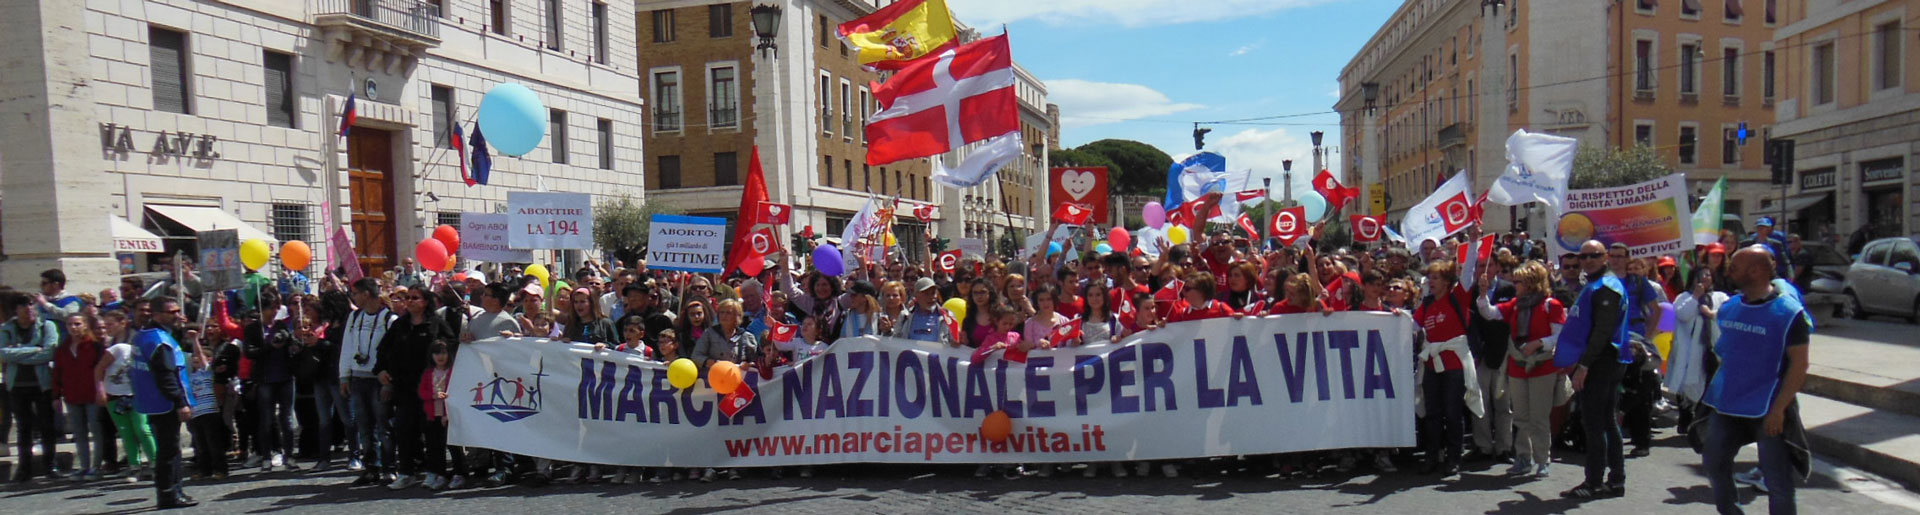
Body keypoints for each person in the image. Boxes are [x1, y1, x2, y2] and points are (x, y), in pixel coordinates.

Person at [1702, 246, 1813, 515]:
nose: (1729, 271)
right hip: (1727, 403)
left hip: (1768, 407)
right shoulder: (1730, 307)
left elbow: (1799, 365)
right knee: (1714, 464)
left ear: (1756, 270)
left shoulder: (1788, 312)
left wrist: (1779, 410)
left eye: (1736, 267)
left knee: (1778, 481)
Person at [1474, 261, 1566, 479]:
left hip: (1542, 366)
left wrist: (1538, 343)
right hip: (1518, 366)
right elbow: (1489, 312)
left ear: (1532, 283)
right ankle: (1523, 457)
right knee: (1521, 416)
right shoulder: (1516, 304)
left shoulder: (1550, 305)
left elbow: (1559, 335)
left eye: (1519, 281)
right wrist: (1483, 294)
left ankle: (1543, 459)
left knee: (1539, 417)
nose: (1514, 284)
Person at [1559, 240, 1634, 500]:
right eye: (1583, 256)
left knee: (1594, 424)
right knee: (1607, 421)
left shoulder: (1606, 286)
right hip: (1604, 362)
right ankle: (1615, 480)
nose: (1587, 260)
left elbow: (1602, 332)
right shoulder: (1597, 284)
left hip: (1602, 363)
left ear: (1606, 258)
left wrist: (1584, 366)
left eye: (1594, 255)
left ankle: (1594, 482)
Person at [376, 286, 456, 490]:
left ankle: (435, 472)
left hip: (431, 388)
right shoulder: (400, 325)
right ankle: (406, 472)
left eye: (415, 298)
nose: (410, 301)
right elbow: (383, 350)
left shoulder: (436, 324)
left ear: (426, 301)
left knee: (433, 433)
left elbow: (451, 347)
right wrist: (381, 370)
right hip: (404, 388)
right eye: (407, 298)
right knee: (404, 431)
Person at [1412, 259, 1480, 478]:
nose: (1431, 281)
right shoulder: (1427, 303)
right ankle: (1432, 456)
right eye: (1429, 277)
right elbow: (1413, 325)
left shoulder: (1457, 298)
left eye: (1436, 278)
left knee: (1452, 412)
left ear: (1447, 282)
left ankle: (1453, 458)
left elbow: (1468, 273)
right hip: (1432, 365)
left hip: (1454, 365)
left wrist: (1472, 243)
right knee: (1432, 413)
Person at [131, 297, 195, 508]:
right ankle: (169, 494)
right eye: (172, 312)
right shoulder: (158, 340)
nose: (177, 315)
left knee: (169, 449)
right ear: (157, 314)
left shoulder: (144, 336)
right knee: (169, 451)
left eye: (178, 311)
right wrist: (180, 402)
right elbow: (166, 375)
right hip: (164, 402)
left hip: (152, 400)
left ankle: (175, 490)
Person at [1, 292, 60, 482]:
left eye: (32, 305)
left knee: (46, 427)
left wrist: (18, 352)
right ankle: (24, 468)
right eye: (25, 306)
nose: (29, 309)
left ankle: (50, 466)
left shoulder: (47, 326)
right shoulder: (6, 329)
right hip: (17, 385)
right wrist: (35, 349)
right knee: (24, 428)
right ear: (16, 310)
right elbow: (3, 354)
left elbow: (49, 353)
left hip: (42, 384)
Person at [95, 310, 157, 480]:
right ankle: (134, 465)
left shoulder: (131, 345)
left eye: (110, 324)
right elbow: (99, 369)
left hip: (135, 394)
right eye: (104, 325)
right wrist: (100, 390)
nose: (106, 328)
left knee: (142, 429)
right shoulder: (113, 347)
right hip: (115, 394)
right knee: (126, 431)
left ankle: (155, 463)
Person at [243, 290, 300, 472]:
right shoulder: (252, 328)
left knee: (287, 420)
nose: (274, 312)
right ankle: (266, 456)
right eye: (270, 309)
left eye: (276, 308)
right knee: (266, 420)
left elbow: (293, 343)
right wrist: (269, 346)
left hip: (285, 377)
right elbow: (248, 352)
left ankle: (289, 456)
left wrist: (292, 343)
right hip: (266, 378)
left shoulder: (281, 326)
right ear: (262, 309)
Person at [1669, 267, 1729, 437]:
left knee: (1710, 383)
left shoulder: (1720, 297)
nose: (1706, 278)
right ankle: (1686, 417)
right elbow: (1682, 314)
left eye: (1709, 274)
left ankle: (1704, 420)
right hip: (1691, 349)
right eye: (1701, 275)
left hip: (1713, 347)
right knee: (1688, 384)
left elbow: (1728, 312)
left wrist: (1710, 313)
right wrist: (1695, 297)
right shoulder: (1684, 297)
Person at [52, 314, 108, 481]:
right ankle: (84, 466)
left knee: (96, 431)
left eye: (77, 324)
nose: (73, 327)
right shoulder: (62, 349)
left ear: (85, 325)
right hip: (72, 395)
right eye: (70, 324)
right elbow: (57, 373)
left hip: (92, 394)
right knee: (79, 432)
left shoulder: (95, 346)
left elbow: (102, 370)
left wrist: (102, 391)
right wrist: (56, 395)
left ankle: (96, 467)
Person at [417, 340, 465, 491]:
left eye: (443, 353)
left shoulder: (453, 372)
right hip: (433, 415)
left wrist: (448, 413)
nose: (440, 356)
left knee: (454, 446)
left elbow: (457, 393)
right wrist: (433, 395)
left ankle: (460, 473)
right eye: (437, 353)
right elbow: (421, 392)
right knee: (434, 447)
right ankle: (439, 473)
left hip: (448, 416)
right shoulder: (428, 373)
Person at [186, 340, 228, 480]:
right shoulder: (189, 376)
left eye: (198, 357)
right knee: (200, 444)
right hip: (195, 413)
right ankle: (204, 470)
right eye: (193, 358)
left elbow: (199, 354)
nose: (195, 359)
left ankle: (220, 469)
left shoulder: (207, 372)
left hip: (210, 411)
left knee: (214, 443)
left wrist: (195, 339)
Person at [891, 278, 956, 347]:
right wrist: (887, 332)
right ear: (916, 295)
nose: (932, 297)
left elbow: (955, 343)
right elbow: (894, 342)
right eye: (926, 293)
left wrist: (956, 342)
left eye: (933, 293)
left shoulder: (947, 317)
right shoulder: (905, 316)